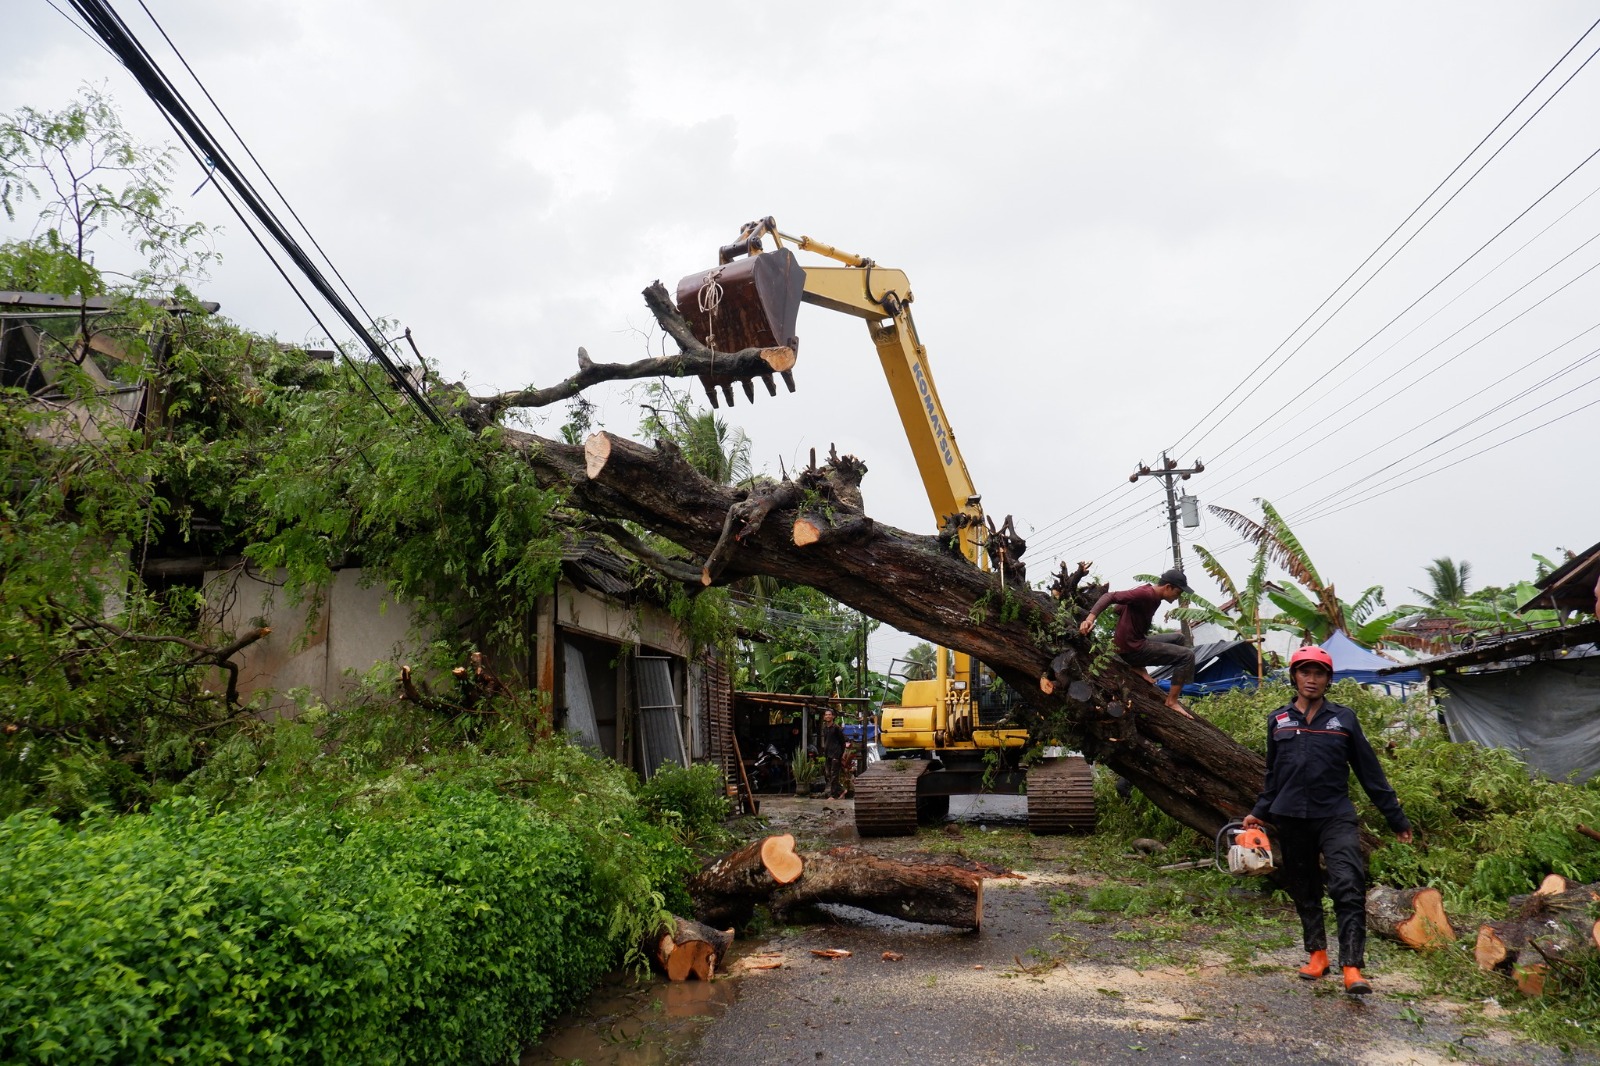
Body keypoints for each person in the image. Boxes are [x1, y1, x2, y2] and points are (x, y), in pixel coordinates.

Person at [1243, 645, 1414, 996]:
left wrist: (1395, 818)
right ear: (1294, 676)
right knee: (1304, 888)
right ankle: (1317, 955)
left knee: (1347, 884)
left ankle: (1351, 967)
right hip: (1290, 818)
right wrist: (1258, 812)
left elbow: (1370, 772)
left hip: (1335, 815)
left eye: (1319, 673)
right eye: (1305, 672)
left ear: (1328, 679)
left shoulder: (1344, 719)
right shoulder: (1278, 720)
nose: (1312, 679)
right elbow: (1273, 776)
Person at [1077, 568, 1196, 715]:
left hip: (1135, 642)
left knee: (1180, 638)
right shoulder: (1145, 594)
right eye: (1178, 592)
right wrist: (1089, 619)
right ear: (1168, 587)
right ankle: (1171, 701)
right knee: (1187, 656)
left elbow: (1117, 609)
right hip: (1130, 649)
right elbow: (1109, 596)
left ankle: (1139, 666)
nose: (1178, 596)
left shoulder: (1150, 594)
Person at [820, 709, 848, 799]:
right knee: (829, 775)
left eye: (829, 714)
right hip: (828, 754)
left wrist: (841, 754)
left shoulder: (836, 728)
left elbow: (842, 742)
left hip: (836, 754)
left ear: (833, 716)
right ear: (824, 717)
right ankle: (842, 790)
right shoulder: (825, 728)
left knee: (834, 774)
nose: (828, 716)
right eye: (826, 714)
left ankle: (833, 795)